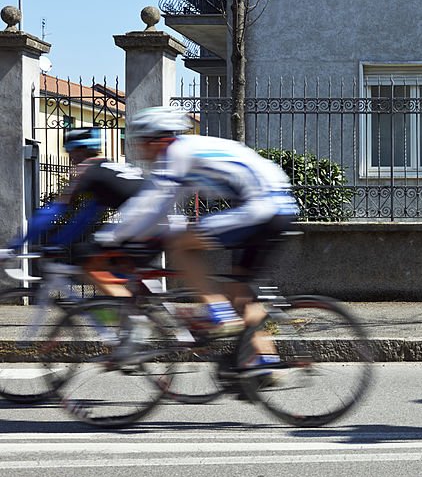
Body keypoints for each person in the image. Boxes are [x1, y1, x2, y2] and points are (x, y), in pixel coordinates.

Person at [95, 107, 298, 371]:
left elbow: (150, 203)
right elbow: (165, 205)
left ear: (158, 139)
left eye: (141, 141)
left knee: (179, 245)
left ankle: (218, 312)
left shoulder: (176, 152)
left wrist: (111, 235)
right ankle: (265, 362)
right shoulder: (191, 151)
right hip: (279, 207)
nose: (138, 148)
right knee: (241, 294)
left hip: (259, 207)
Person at [1, 128, 146, 297]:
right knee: (115, 264)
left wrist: (14, 246)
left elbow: (53, 211)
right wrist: (58, 242)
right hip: (154, 217)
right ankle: (140, 305)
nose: (70, 158)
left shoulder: (85, 171)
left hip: (142, 219)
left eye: (71, 152)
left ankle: (131, 315)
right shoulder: (109, 169)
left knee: (87, 259)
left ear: (80, 150)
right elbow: (86, 216)